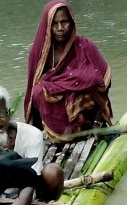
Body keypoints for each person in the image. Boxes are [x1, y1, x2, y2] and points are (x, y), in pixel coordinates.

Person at [24, 0, 114, 143]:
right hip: (56, 121)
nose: (60, 28)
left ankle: (87, 129)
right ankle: (61, 135)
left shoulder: (85, 46)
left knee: (87, 85)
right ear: (47, 26)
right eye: (55, 23)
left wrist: (97, 123)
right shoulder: (39, 54)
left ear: (71, 22)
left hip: (87, 119)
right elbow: (31, 92)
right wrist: (28, 135)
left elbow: (104, 82)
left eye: (64, 22)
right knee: (39, 91)